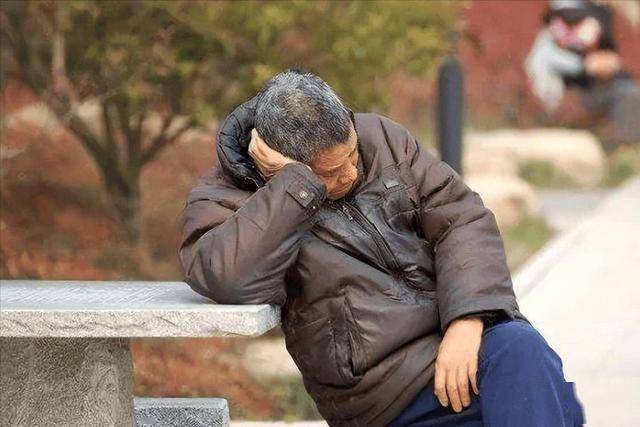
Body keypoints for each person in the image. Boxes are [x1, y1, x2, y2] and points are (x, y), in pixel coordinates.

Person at [179, 70, 585, 426]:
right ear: (282, 163)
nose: (350, 173)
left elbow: (461, 217)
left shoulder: (383, 138)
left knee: (523, 351)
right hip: (384, 395)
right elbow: (226, 277)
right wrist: (295, 188)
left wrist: (468, 319)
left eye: (352, 155)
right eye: (331, 171)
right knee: (554, 403)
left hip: (454, 346)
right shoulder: (228, 196)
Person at [525, 0, 640, 151]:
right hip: (562, 100)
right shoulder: (560, 22)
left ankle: (623, 148)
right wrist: (585, 65)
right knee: (627, 93)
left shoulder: (602, 16)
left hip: (594, 93)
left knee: (628, 91)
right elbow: (544, 61)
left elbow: (609, 61)